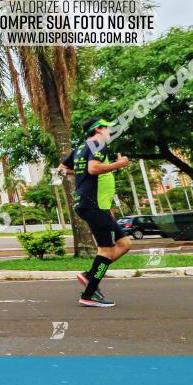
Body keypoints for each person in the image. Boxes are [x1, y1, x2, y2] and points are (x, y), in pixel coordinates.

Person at [58, 117, 132, 308]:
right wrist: (119, 164)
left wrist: (80, 173)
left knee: (124, 244)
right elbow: (93, 168)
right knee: (106, 252)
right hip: (94, 205)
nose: (108, 131)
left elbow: (61, 170)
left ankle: (89, 275)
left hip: (94, 205)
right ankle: (89, 294)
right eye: (106, 128)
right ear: (98, 129)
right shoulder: (98, 143)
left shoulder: (80, 148)